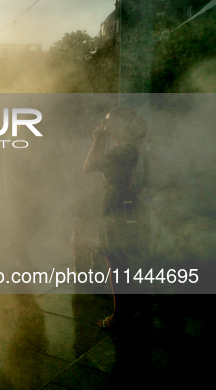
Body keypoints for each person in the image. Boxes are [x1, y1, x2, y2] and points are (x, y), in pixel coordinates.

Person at [84, 106, 146, 329]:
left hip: (117, 209)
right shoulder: (128, 147)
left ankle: (120, 316)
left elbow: (89, 166)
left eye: (109, 121)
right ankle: (125, 310)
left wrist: (98, 140)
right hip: (118, 208)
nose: (105, 124)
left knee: (116, 263)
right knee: (119, 262)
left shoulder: (125, 149)